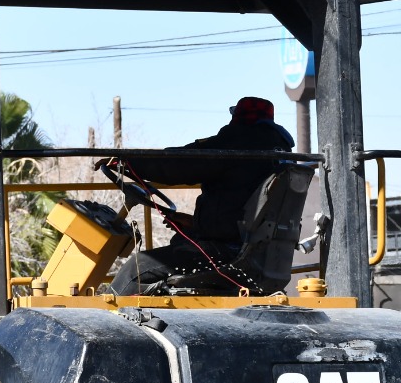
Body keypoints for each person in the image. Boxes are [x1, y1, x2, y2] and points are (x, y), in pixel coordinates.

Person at [110, 96, 296, 294]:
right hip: (260, 253)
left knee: (136, 268)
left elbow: (180, 164)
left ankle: (103, 320)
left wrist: (129, 161)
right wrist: (195, 224)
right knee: (178, 244)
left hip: (225, 253)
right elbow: (245, 208)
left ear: (239, 117)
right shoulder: (282, 153)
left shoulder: (236, 141)